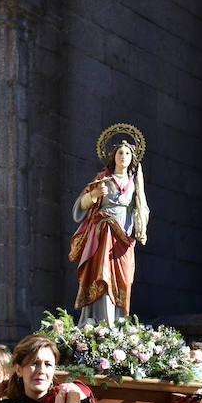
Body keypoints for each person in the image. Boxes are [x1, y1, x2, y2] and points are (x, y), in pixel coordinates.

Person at [69, 124, 150, 325]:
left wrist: (141, 229)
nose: (123, 157)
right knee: (102, 275)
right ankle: (100, 320)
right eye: (120, 153)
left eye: (127, 153)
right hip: (103, 233)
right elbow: (80, 204)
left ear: (132, 158)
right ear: (113, 156)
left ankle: (119, 322)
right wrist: (94, 195)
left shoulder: (135, 182)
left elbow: (141, 207)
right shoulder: (103, 178)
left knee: (124, 279)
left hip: (124, 236)